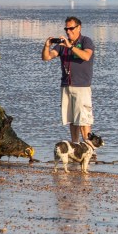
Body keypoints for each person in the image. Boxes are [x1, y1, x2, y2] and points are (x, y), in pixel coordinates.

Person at [41, 16, 95, 144]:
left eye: (71, 28)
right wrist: (46, 46)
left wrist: (70, 47)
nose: (68, 31)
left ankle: (89, 149)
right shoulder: (62, 45)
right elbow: (46, 57)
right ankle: (75, 146)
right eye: (66, 29)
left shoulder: (86, 41)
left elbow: (86, 56)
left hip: (82, 86)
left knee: (84, 120)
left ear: (79, 28)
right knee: (72, 120)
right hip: (66, 85)